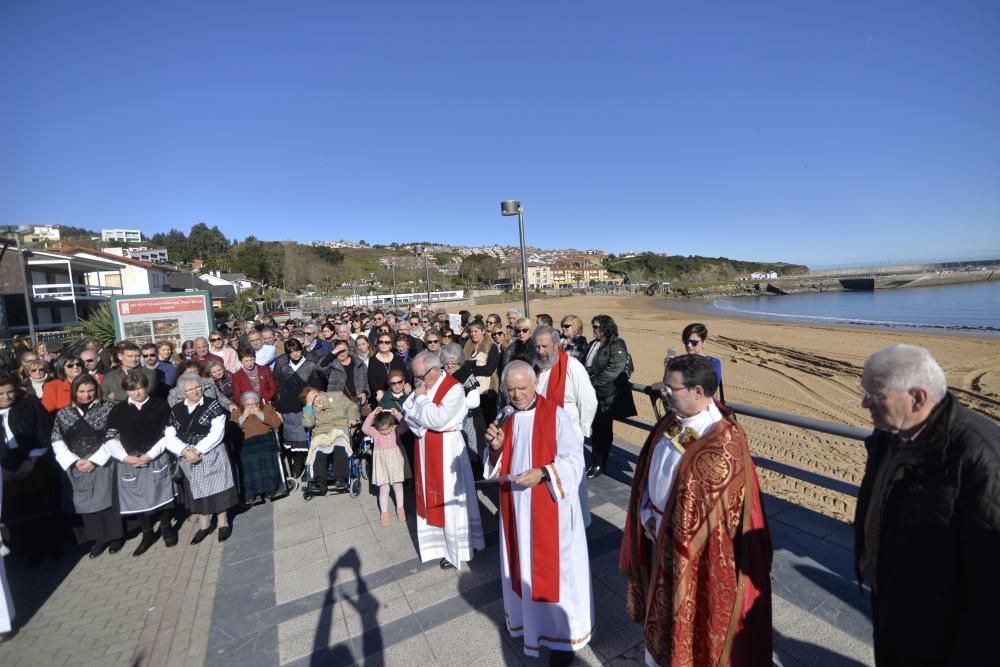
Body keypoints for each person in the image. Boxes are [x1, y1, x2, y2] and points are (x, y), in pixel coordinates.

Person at [620, 354, 771, 667]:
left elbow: (719, 519)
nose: (664, 392)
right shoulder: (670, 421)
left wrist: (667, 526)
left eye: (670, 387)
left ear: (697, 392)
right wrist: (646, 511)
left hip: (691, 555)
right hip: (655, 537)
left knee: (687, 621)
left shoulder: (722, 443)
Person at [855, 344, 1000, 666]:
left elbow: (991, 583)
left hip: (940, 623)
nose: (864, 403)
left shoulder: (980, 456)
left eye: (875, 395)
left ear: (918, 398)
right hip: (893, 598)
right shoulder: (889, 434)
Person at [483, 361, 593, 665]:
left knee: (555, 574)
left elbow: (574, 462)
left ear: (534, 385)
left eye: (522, 388)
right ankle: (530, 627)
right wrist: (495, 447)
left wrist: (544, 473)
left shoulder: (555, 416)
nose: (517, 395)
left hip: (549, 509)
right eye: (511, 390)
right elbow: (494, 464)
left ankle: (561, 641)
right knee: (523, 568)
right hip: (517, 509)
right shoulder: (505, 416)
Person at [403, 351, 485, 570]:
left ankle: (457, 549)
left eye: (421, 376)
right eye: (416, 377)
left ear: (434, 369)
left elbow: (438, 420)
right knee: (430, 497)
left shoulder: (454, 388)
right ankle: (438, 546)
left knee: (450, 499)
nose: (418, 381)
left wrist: (420, 400)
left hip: (447, 450)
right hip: (425, 446)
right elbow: (406, 413)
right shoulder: (423, 384)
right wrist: (422, 420)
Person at [50, 375, 125, 558]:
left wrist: (95, 460)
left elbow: (113, 436)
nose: (86, 395)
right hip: (77, 464)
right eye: (81, 391)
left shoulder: (107, 408)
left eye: (90, 390)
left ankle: (116, 536)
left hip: (102, 462)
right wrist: (75, 461)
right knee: (87, 504)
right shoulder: (64, 413)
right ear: (74, 392)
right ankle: (98, 539)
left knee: (107, 500)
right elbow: (57, 440)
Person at [105, 371, 177, 557]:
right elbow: (111, 438)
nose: (137, 393)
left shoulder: (159, 405)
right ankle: (147, 533)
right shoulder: (118, 410)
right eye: (132, 389)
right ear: (126, 390)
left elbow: (168, 433)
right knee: (138, 497)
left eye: (140, 388)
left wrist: (150, 454)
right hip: (131, 460)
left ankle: (166, 527)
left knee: (161, 492)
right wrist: (125, 457)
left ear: (146, 387)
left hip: (155, 455)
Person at [533, 325, 597, 527]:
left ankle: (577, 523)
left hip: (568, 437)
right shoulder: (535, 366)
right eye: (537, 347)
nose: (540, 352)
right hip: (541, 437)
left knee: (572, 483)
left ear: (556, 344)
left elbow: (588, 400)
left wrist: (583, 430)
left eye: (544, 347)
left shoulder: (572, 366)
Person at [165, 376, 238, 544]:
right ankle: (204, 525)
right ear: (183, 392)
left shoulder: (212, 404)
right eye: (190, 389)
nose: (195, 391)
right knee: (197, 492)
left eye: (198, 387)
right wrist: (185, 451)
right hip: (187, 456)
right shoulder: (176, 409)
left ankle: (222, 522)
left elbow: (217, 432)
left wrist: (197, 450)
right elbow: (169, 435)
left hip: (210, 453)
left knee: (219, 489)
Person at [584, 314, 636, 478]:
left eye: (597, 327)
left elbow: (614, 369)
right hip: (593, 395)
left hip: (607, 396)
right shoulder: (593, 344)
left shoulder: (616, 343)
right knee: (595, 429)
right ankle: (594, 461)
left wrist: (592, 381)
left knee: (604, 431)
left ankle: (600, 463)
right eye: (593, 326)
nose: (594, 330)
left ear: (606, 327)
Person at [273, 338, 324, 478]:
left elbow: (318, 384)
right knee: (293, 438)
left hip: (306, 404)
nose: (295, 353)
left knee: (307, 436)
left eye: (297, 350)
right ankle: (298, 464)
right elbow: (280, 388)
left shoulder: (311, 364)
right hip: (288, 407)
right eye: (291, 351)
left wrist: (312, 400)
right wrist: (278, 407)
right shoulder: (282, 366)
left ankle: (310, 466)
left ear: (301, 349)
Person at [300, 387, 360, 495]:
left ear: (319, 392)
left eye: (316, 395)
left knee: (339, 445)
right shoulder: (308, 408)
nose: (316, 399)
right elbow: (309, 423)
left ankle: (340, 480)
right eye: (312, 400)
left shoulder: (337, 396)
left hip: (340, 429)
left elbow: (352, 406)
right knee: (318, 449)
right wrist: (309, 405)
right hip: (321, 433)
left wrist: (351, 417)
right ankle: (319, 483)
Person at [232, 390, 285, 504]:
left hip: (265, 439)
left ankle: (271, 488)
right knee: (247, 458)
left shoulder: (266, 409)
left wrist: (260, 414)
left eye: (254, 404)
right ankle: (251, 493)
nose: (251, 407)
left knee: (266, 454)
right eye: (248, 405)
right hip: (246, 443)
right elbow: (232, 430)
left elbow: (276, 423)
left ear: (258, 402)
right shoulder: (236, 413)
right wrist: (243, 417)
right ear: (242, 405)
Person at [362, 406, 410, 526]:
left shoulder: (395, 429)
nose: (383, 432)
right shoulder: (376, 432)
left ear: (392, 425)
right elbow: (365, 428)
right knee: (383, 488)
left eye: (386, 429)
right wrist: (372, 414)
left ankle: (400, 508)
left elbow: (405, 425)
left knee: (398, 486)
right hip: (381, 464)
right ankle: (384, 513)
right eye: (381, 430)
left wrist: (397, 414)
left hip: (395, 462)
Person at [463, 320, 500, 424]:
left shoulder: (491, 347)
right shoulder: (467, 346)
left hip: (487, 390)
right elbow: (462, 364)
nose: (472, 334)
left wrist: (470, 369)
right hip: (471, 389)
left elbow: (489, 370)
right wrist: (474, 364)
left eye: (476, 331)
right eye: (471, 331)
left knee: (487, 420)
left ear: (483, 331)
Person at [681, 323, 725, 403]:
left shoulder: (713, 363)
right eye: (686, 341)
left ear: (703, 342)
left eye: (694, 342)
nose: (689, 345)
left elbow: (709, 390)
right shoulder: (682, 362)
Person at [368, 332, 407, 401]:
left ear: (391, 345)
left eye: (387, 342)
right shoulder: (373, 360)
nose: (384, 344)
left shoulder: (398, 359)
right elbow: (372, 380)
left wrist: (406, 385)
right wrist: (378, 391)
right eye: (381, 342)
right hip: (381, 396)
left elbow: (405, 375)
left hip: (399, 394)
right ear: (378, 344)